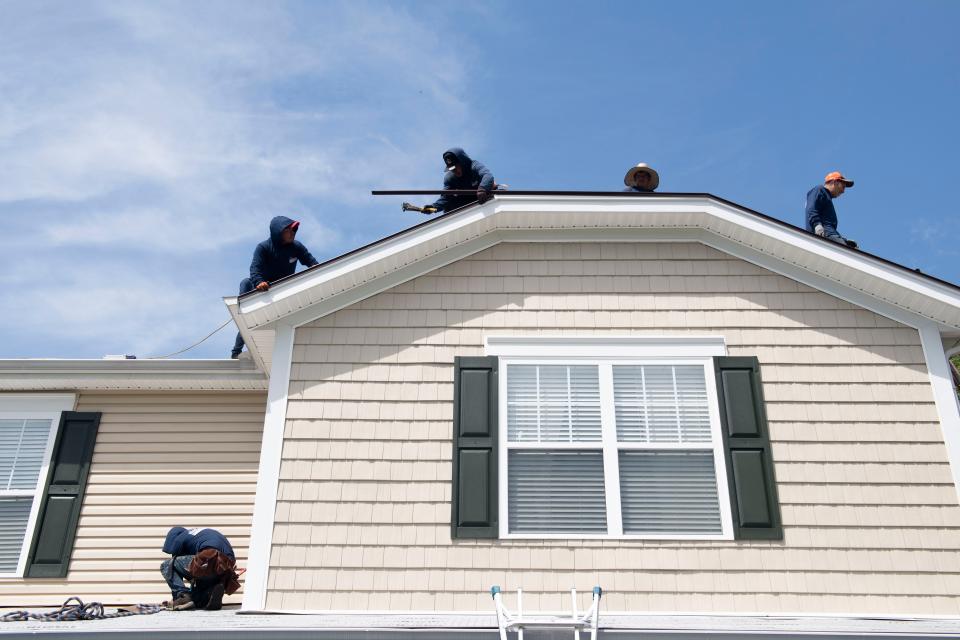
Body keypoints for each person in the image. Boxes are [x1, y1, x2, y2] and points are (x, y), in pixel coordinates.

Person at [231, 216, 320, 358]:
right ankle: (236, 352)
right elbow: (255, 269)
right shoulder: (264, 247)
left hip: (281, 288)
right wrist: (259, 282)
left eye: (294, 230)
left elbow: (312, 263)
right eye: (289, 230)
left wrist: (317, 272)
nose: (293, 233)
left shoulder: (296, 247)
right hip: (262, 288)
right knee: (246, 290)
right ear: (278, 232)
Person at [160, 526, 240, 611]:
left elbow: (175, 562)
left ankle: (182, 595)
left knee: (167, 565)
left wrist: (176, 597)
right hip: (226, 567)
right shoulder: (195, 534)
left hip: (209, 557)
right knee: (200, 594)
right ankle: (210, 592)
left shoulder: (179, 538)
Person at [420, 148, 496, 214]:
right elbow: (445, 197)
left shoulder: (474, 166)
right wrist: (433, 207)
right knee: (448, 206)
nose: (454, 171)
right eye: (451, 169)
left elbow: (487, 175)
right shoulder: (449, 178)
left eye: (455, 167)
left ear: (462, 162)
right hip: (466, 202)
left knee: (500, 190)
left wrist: (483, 188)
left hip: (482, 196)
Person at [805, 171, 857, 248]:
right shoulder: (819, 189)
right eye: (843, 186)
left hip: (827, 234)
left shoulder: (826, 196)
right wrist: (817, 225)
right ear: (835, 182)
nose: (843, 191)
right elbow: (811, 208)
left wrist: (843, 240)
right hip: (825, 234)